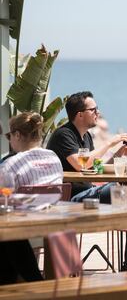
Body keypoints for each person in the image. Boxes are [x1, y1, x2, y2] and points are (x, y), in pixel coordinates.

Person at [0, 112, 63, 284]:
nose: (9, 140)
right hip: (53, 221)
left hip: (22, 226)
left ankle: (24, 281)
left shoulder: (10, 164)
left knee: (6, 234)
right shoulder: (54, 157)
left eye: (9, 135)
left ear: (17, 135)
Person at [47, 91, 127, 202]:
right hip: (69, 197)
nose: (98, 113)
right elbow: (80, 165)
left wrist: (119, 153)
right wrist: (108, 143)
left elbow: (96, 168)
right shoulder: (64, 134)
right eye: (93, 110)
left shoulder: (86, 135)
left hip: (86, 192)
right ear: (80, 115)